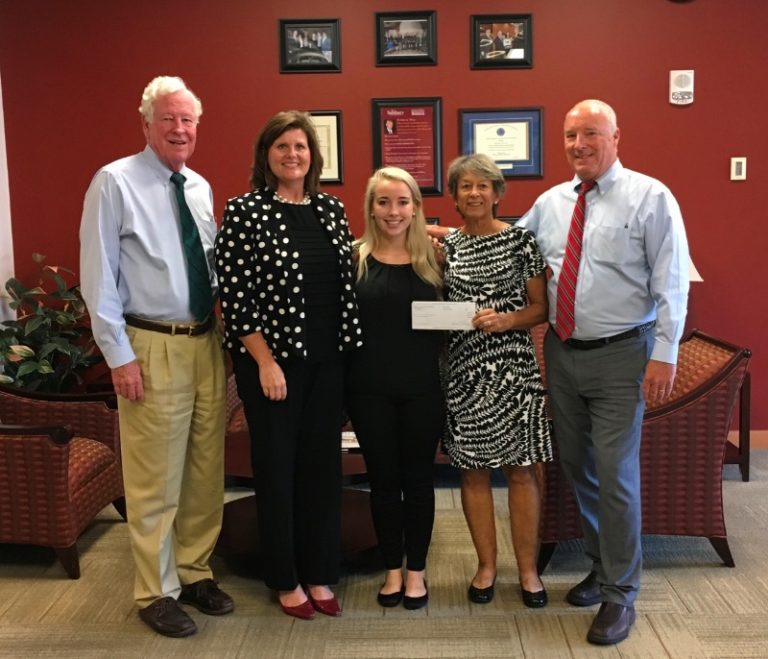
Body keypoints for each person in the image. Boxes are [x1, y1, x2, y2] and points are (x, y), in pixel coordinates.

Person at [518, 99, 689, 645]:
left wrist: (665, 352)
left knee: (615, 474)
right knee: (578, 466)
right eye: (570, 136)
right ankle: (601, 563)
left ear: (616, 137)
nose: (578, 145)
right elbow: (504, 248)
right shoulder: (550, 202)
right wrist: (442, 237)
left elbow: (672, 279)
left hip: (623, 355)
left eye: (590, 133)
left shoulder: (650, 196)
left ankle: (620, 594)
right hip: (563, 353)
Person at [79, 76, 233, 638]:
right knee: (153, 479)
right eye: (168, 118)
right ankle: (156, 589)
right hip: (149, 344)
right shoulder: (114, 181)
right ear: (146, 123)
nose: (180, 129)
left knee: (202, 471)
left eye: (188, 120)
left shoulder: (198, 187)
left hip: (204, 341)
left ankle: (194, 571)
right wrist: (120, 357)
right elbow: (99, 281)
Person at [215, 110, 363, 621]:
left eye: (300, 147)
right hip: (273, 368)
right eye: (282, 147)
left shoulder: (331, 210)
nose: (292, 155)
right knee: (277, 471)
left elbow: (344, 283)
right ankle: (285, 578)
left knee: (323, 470)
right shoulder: (245, 211)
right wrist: (264, 361)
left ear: (312, 156)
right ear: (267, 156)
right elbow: (236, 298)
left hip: (329, 363)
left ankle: (320, 570)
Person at [441, 154, 552, 609]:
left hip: (514, 372)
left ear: (498, 193)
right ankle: (486, 566)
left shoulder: (521, 241)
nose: (474, 193)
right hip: (464, 374)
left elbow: (542, 308)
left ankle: (527, 571)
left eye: (483, 185)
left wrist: (506, 321)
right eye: (465, 186)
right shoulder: (447, 247)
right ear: (454, 196)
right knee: (472, 473)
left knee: (521, 472)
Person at [346, 167, 444, 610]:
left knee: (419, 482)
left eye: (403, 202)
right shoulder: (352, 259)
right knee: (384, 483)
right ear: (370, 208)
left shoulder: (436, 259)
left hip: (423, 390)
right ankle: (391, 570)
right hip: (368, 392)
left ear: (415, 208)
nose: (393, 211)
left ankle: (417, 573)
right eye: (383, 202)